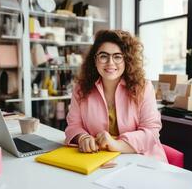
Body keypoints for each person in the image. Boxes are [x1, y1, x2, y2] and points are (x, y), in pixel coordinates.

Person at [65, 30, 167, 162]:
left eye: (117, 56)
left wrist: (117, 145)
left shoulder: (144, 88)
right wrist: (82, 137)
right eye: (103, 56)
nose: (110, 63)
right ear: (95, 59)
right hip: (98, 160)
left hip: (141, 160)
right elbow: (73, 125)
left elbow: (151, 132)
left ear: (127, 60)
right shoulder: (80, 89)